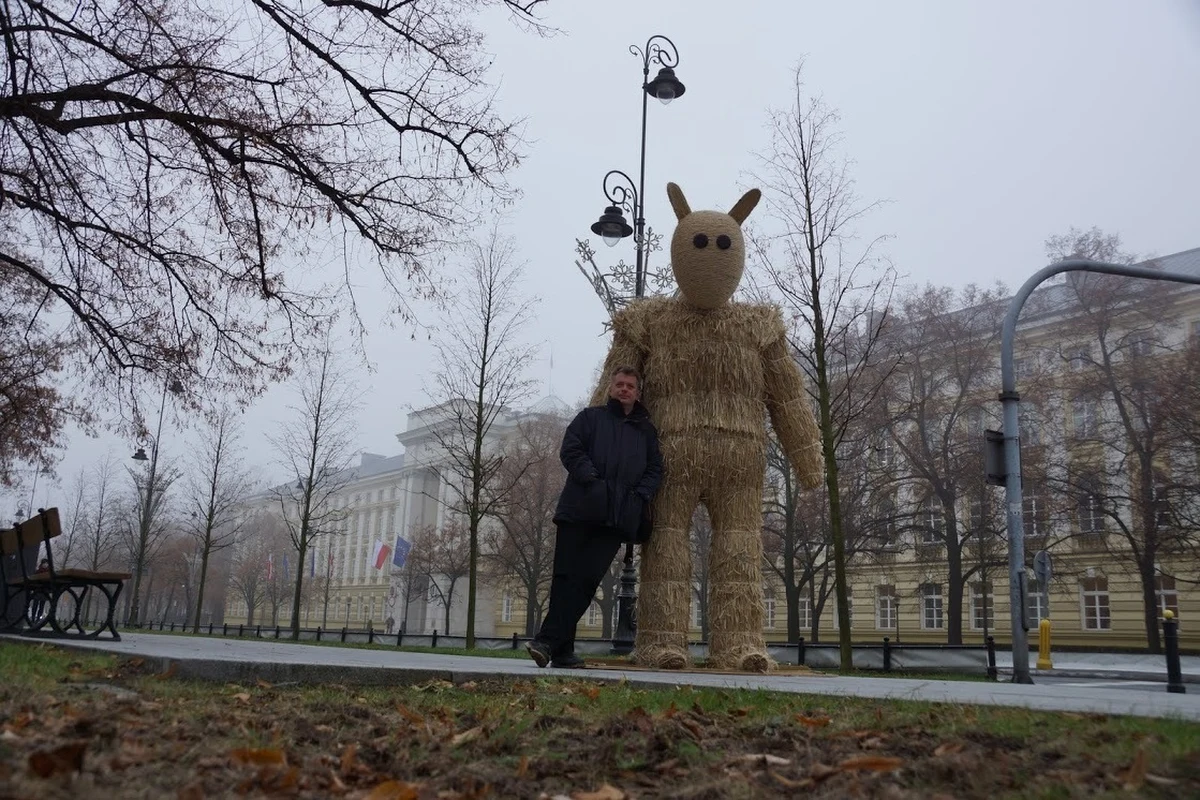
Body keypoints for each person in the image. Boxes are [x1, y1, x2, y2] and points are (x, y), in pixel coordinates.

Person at [526, 366, 663, 669]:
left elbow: (655, 469)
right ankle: (562, 652)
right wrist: (592, 480)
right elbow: (571, 450)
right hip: (579, 510)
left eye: (630, 385)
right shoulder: (589, 418)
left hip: (616, 519)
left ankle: (547, 641)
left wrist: (638, 496)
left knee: (587, 581)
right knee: (564, 580)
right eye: (619, 384)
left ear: (637, 392)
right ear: (611, 388)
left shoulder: (646, 432)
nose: (624, 389)